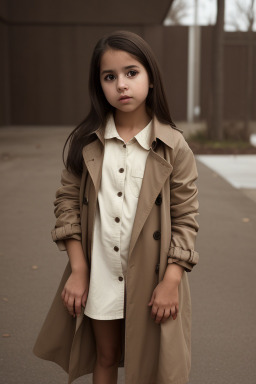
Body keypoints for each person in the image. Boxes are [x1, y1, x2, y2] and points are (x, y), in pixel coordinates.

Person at [33, 30, 199, 384]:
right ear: (99, 85)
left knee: (151, 365)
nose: (121, 85)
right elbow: (66, 204)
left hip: (155, 275)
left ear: (151, 78)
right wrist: (79, 270)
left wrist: (172, 279)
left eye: (131, 72)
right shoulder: (87, 143)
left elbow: (186, 218)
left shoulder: (174, 146)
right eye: (110, 77)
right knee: (105, 356)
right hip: (101, 272)